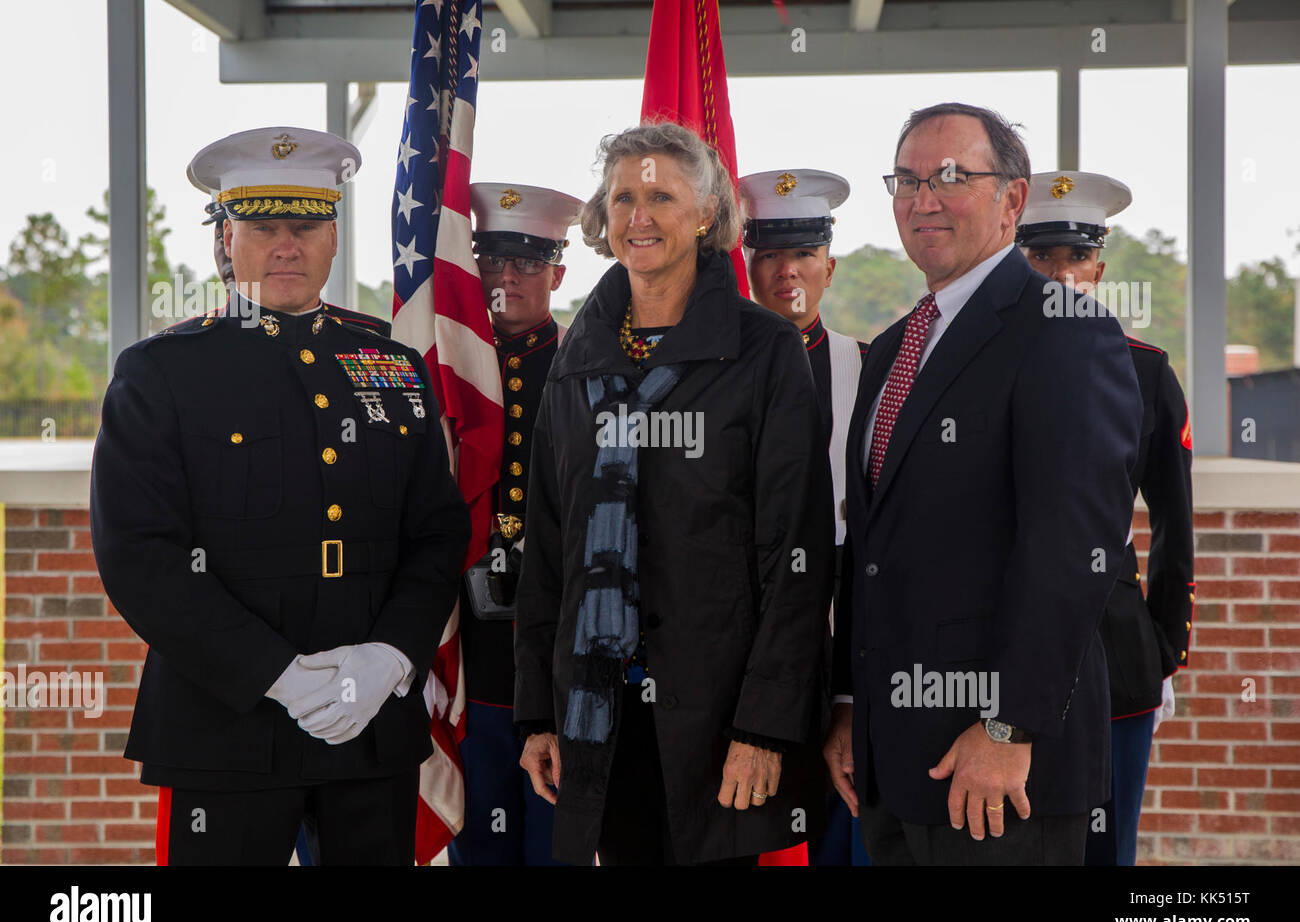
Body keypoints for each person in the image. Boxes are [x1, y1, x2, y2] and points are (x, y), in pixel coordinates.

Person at [90, 126, 470, 865]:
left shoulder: (389, 364)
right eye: (263, 227)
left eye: (307, 226)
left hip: (370, 730)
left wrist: (391, 658)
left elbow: (435, 531)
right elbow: (140, 556)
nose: (286, 246)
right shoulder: (160, 374)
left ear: (333, 238)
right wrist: (278, 676)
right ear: (224, 240)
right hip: (224, 729)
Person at [825, 103, 1143, 865]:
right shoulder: (899, 344)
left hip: (1003, 773)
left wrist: (1010, 728)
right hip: (895, 761)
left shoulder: (1064, 328)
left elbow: (1071, 550)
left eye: (950, 178)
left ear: (1012, 199)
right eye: (906, 180)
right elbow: (868, 549)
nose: (922, 199)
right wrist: (848, 704)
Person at [513, 122, 835, 865]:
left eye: (662, 195)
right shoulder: (574, 362)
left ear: (706, 213)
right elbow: (549, 555)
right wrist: (538, 714)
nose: (640, 216)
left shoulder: (765, 352)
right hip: (602, 715)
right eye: (624, 196)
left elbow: (796, 551)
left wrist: (765, 728)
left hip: (722, 722)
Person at [1017, 170, 1194, 866]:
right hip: (999, 645)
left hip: (1114, 645)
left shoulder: (1146, 371)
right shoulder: (979, 366)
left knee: (1106, 847)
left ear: (1100, 263)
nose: (1060, 273)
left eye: (1075, 255)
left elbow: (1176, 526)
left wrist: (1164, 649)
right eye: (1040, 256)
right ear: (1016, 257)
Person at [448, 182, 584, 866]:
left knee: (558, 849)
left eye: (528, 261)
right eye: (492, 259)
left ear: (558, 271)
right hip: (467, 654)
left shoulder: (592, 371)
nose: (506, 277)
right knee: (479, 846)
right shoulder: (442, 372)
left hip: (562, 655)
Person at [739, 168, 870, 867]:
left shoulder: (870, 369)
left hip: (843, 622)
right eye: (767, 253)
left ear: (830, 264)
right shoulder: (716, 372)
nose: (786, 270)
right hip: (748, 624)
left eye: (803, 254)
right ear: (748, 262)